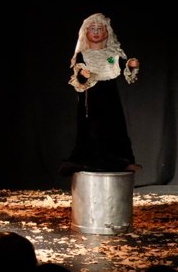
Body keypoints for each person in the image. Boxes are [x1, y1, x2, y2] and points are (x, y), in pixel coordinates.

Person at [58, 12, 141, 176]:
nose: (96, 32)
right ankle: (94, 161)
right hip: (91, 99)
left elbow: (124, 70)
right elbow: (79, 77)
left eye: (99, 28)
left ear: (106, 32)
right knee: (93, 129)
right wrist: (83, 75)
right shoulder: (83, 54)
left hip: (110, 99)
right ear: (86, 32)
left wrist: (131, 66)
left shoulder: (112, 54)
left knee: (115, 128)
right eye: (92, 28)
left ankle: (121, 161)